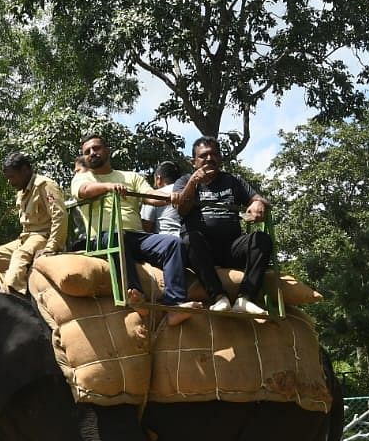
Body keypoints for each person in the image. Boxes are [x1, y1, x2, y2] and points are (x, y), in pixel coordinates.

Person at [70, 133, 199, 326]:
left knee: (173, 243)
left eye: (96, 148)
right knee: (117, 235)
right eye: (87, 151)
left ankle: (175, 305)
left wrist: (172, 196)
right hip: (105, 237)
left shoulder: (131, 176)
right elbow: (83, 191)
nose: (92, 153)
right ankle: (135, 295)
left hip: (137, 236)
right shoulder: (82, 177)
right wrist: (108, 187)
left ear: (107, 151)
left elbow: (152, 196)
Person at [172, 136, 273, 315]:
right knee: (190, 239)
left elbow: (259, 198)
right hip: (201, 251)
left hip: (231, 247)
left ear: (220, 158)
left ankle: (245, 299)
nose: (210, 159)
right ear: (193, 161)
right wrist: (194, 182)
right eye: (204, 156)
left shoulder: (233, 181)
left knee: (262, 239)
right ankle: (219, 297)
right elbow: (182, 210)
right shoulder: (184, 181)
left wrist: (258, 203)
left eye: (214, 154)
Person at [0, 152, 68, 295]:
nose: (10, 182)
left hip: (43, 236)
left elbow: (59, 216)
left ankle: (10, 296)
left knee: (20, 255)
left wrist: (51, 247)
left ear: (25, 170)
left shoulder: (44, 185)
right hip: (24, 238)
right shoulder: (22, 191)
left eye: (12, 177)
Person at [141, 160, 183, 235]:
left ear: (158, 179)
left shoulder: (154, 196)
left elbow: (147, 228)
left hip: (166, 241)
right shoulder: (186, 191)